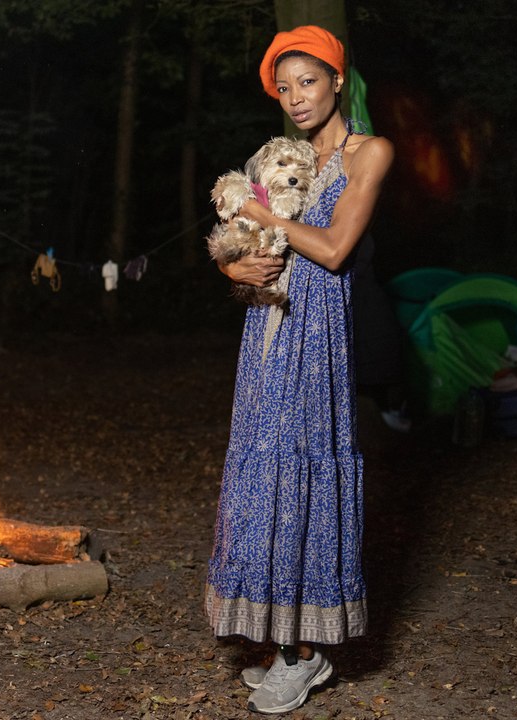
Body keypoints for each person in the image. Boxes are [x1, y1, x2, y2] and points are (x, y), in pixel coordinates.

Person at [204, 24, 394, 715]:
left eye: (308, 81)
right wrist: (234, 268)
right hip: (267, 327)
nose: (297, 97)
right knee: (264, 475)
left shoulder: (369, 152)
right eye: (285, 88)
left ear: (338, 81)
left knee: (301, 475)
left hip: (320, 338)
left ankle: (305, 653)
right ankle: (281, 642)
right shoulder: (281, 158)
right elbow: (248, 241)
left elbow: (336, 248)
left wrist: (260, 210)